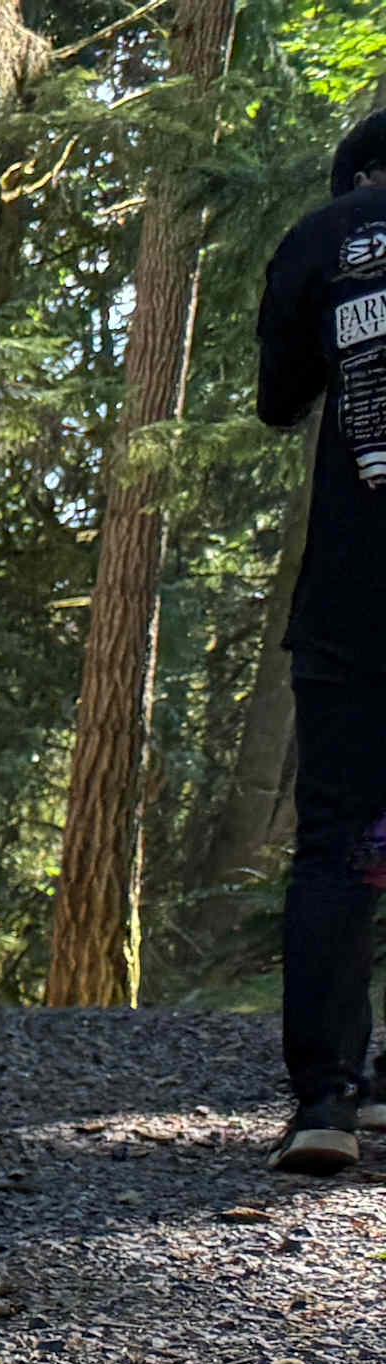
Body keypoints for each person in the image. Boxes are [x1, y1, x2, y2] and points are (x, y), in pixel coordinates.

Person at [260, 110, 386, 1174]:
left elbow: (277, 399)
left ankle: (328, 1106)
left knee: (340, 843)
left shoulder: (319, 239)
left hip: (352, 600)